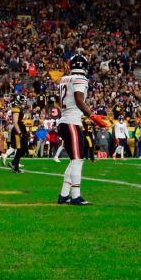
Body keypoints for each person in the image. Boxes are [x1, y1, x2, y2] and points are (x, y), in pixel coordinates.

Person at [55, 54, 108, 205]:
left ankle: (64, 195)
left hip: (65, 121)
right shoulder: (80, 79)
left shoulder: (64, 79)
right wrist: (92, 116)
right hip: (71, 123)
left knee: (74, 160)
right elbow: (78, 99)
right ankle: (76, 195)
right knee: (78, 160)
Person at [9, 97, 29, 173]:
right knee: (20, 148)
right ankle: (15, 167)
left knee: (24, 148)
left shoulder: (19, 108)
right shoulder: (16, 108)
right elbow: (15, 122)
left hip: (22, 128)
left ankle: (13, 162)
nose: (24, 102)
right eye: (23, 101)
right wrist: (20, 133)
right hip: (18, 130)